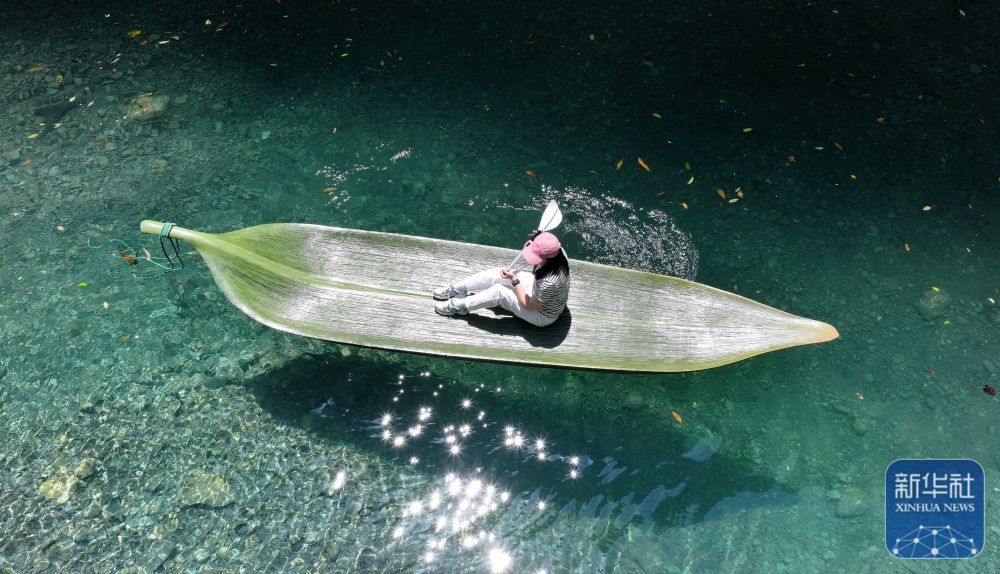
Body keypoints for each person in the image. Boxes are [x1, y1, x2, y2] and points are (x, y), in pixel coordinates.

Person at [433, 231, 570, 327]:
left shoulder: (549, 282)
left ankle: (460, 306)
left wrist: (514, 280)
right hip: (539, 291)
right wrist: (532, 245)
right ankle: (459, 288)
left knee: (499, 292)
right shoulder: (559, 254)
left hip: (541, 314)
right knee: (500, 273)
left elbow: (529, 306)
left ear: (546, 259)